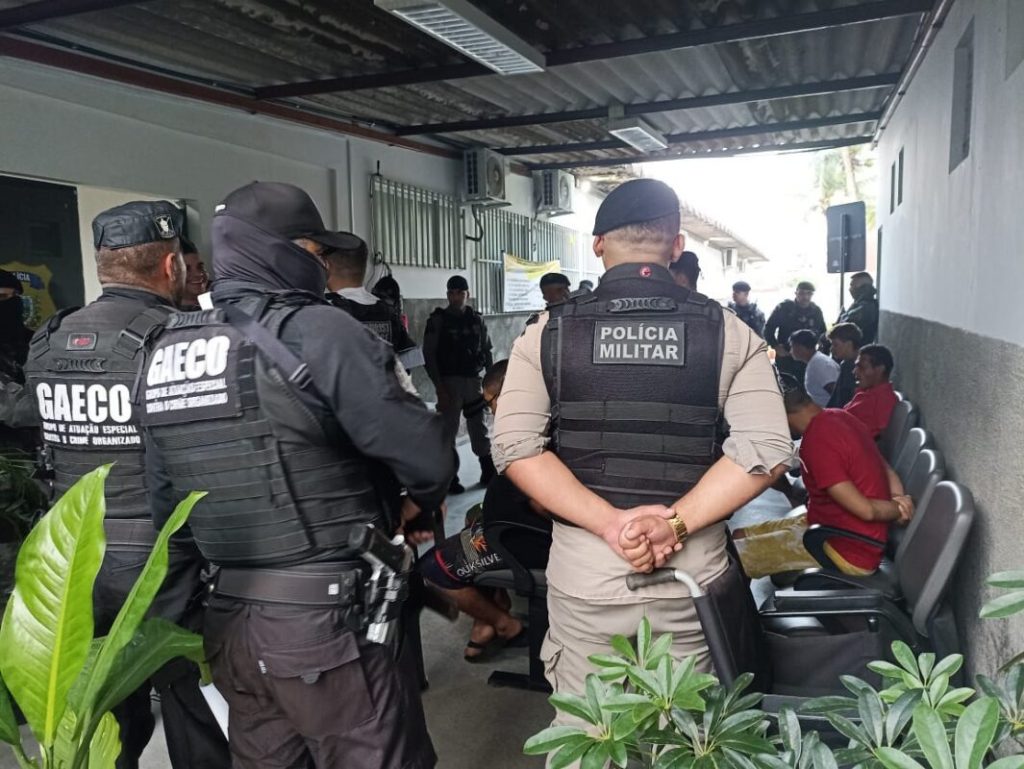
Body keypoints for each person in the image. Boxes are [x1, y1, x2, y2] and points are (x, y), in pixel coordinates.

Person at [137, 181, 451, 769]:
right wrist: (414, 504)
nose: (322, 264)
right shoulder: (319, 330)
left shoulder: (161, 350)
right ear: (276, 249)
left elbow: (166, 508)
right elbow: (429, 458)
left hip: (230, 620)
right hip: (326, 624)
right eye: (314, 250)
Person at [492, 179, 794, 741]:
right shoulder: (729, 332)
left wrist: (611, 524)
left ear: (598, 244)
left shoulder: (547, 333)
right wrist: (673, 523)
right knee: (690, 738)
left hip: (588, 578)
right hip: (689, 581)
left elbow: (514, 446)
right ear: (676, 245)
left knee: (590, 735)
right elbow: (765, 448)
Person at [22, 201, 228, 769]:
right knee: (188, 691)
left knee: (100, 703)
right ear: (170, 265)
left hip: (68, 555)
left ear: (102, 263)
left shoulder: (49, 337)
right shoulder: (178, 338)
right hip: (157, 554)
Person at [417, 360, 551, 661]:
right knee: (471, 517)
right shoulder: (543, 418)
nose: (490, 410)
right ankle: (488, 617)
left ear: (508, 395)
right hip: (511, 528)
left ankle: (504, 624)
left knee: (432, 569)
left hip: (520, 537)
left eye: (490, 402)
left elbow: (546, 505)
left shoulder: (526, 434)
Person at [733, 377, 912, 577]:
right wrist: (898, 497)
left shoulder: (818, 443)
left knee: (733, 559)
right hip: (827, 527)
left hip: (847, 551)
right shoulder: (842, 416)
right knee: (739, 536)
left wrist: (898, 509)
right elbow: (886, 469)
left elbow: (867, 511)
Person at [423, 274, 495, 494]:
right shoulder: (438, 320)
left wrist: (491, 382)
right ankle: (449, 478)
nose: (456, 297)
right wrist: (439, 387)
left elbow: (487, 350)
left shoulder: (477, 320)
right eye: (452, 293)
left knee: (479, 427)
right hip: (449, 382)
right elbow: (429, 355)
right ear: (447, 295)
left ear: (467, 295)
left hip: (473, 381)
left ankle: (488, 471)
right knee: (448, 431)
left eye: (460, 293)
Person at [323, 232, 425, 370]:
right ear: (363, 266)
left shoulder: (323, 310)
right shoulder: (388, 312)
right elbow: (408, 363)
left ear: (326, 266)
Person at [764, 281, 826, 381]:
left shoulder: (816, 311)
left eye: (809, 293)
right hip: (787, 355)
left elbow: (823, 332)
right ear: (796, 293)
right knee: (786, 384)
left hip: (808, 357)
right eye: (802, 293)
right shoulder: (784, 308)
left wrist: (820, 349)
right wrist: (775, 346)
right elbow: (768, 329)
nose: (805, 297)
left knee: (807, 383)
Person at [844, 344, 899, 439]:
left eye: (861, 367)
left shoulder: (884, 400)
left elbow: (883, 439)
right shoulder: (866, 393)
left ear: (880, 370)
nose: (854, 372)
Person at [788, 329, 839, 407]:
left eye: (792, 347)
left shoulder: (819, 363)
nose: (790, 351)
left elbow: (836, 393)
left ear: (800, 347)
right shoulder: (814, 362)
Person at [826, 322, 862, 408]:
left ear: (849, 344)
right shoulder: (846, 363)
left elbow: (843, 400)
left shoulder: (849, 366)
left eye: (835, 345)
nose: (831, 349)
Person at [837, 272, 879, 344]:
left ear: (863, 288)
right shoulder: (859, 303)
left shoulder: (867, 307)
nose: (850, 289)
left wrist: (842, 317)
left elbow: (845, 326)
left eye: (852, 285)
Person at [180, 237, 211, 310]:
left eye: (200, 267)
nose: (198, 274)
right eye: (187, 269)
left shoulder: (222, 301)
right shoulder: (163, 313)